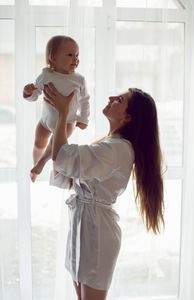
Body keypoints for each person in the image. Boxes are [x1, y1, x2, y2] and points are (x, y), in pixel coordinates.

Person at [44, 83, 164, 300]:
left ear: (128, 118)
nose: (111, 97)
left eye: (119, 99)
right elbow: (70, 171)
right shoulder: (112, 144)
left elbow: (65, 159)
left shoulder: (117, 149)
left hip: (97, 233)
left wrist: (63, 114)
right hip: (85, 226)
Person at [23, 35, 90, 182]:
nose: (76, 59)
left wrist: (84, 118)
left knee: (55, 147)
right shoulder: (46, 75)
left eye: (77, 55)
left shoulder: (79, 79)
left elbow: (85, 100)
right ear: (53, 58)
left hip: (67, 122)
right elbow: (35, 94)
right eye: (70, 55)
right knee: (38, 142)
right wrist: (28, 92)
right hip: (45, 120)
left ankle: (42, 163)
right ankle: (35, 165)